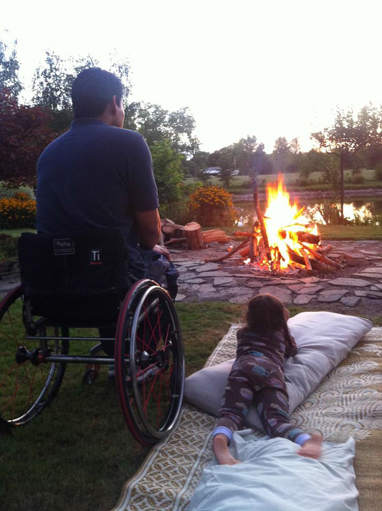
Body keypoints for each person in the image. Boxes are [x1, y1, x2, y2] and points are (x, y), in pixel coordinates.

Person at [36, 67, 178, 299]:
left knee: (104, 262)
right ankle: (155, 333)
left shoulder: (48, 154)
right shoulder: (130, 143)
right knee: (162, 263)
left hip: (57, 279)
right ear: (114, 103)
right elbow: (151, 231)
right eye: (123, 105)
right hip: (114, 276)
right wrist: (149, 245)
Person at [212, 294, 322, 465]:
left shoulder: (242, 333)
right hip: (270, 373)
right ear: (281, 316)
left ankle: (221, 439)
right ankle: (305, 440)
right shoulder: (281, 336)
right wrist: (284, 324)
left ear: (249, 316)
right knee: (276, 420)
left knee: (232, 413)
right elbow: (292, 351)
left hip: (243, 368)